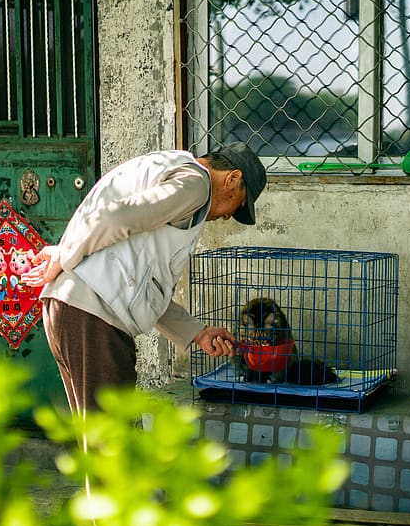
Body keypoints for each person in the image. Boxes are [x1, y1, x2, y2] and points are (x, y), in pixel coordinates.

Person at [21, 143, 267, 415]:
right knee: (113, 444)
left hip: (78, 310)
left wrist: (197, 333)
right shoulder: (197, 183)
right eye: (239, 204)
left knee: (99, 440)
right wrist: (64, 255)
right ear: (233, 178)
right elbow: (114, 217)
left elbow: (142, 284)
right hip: (93, 316)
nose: (228, 216)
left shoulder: (170, 169)